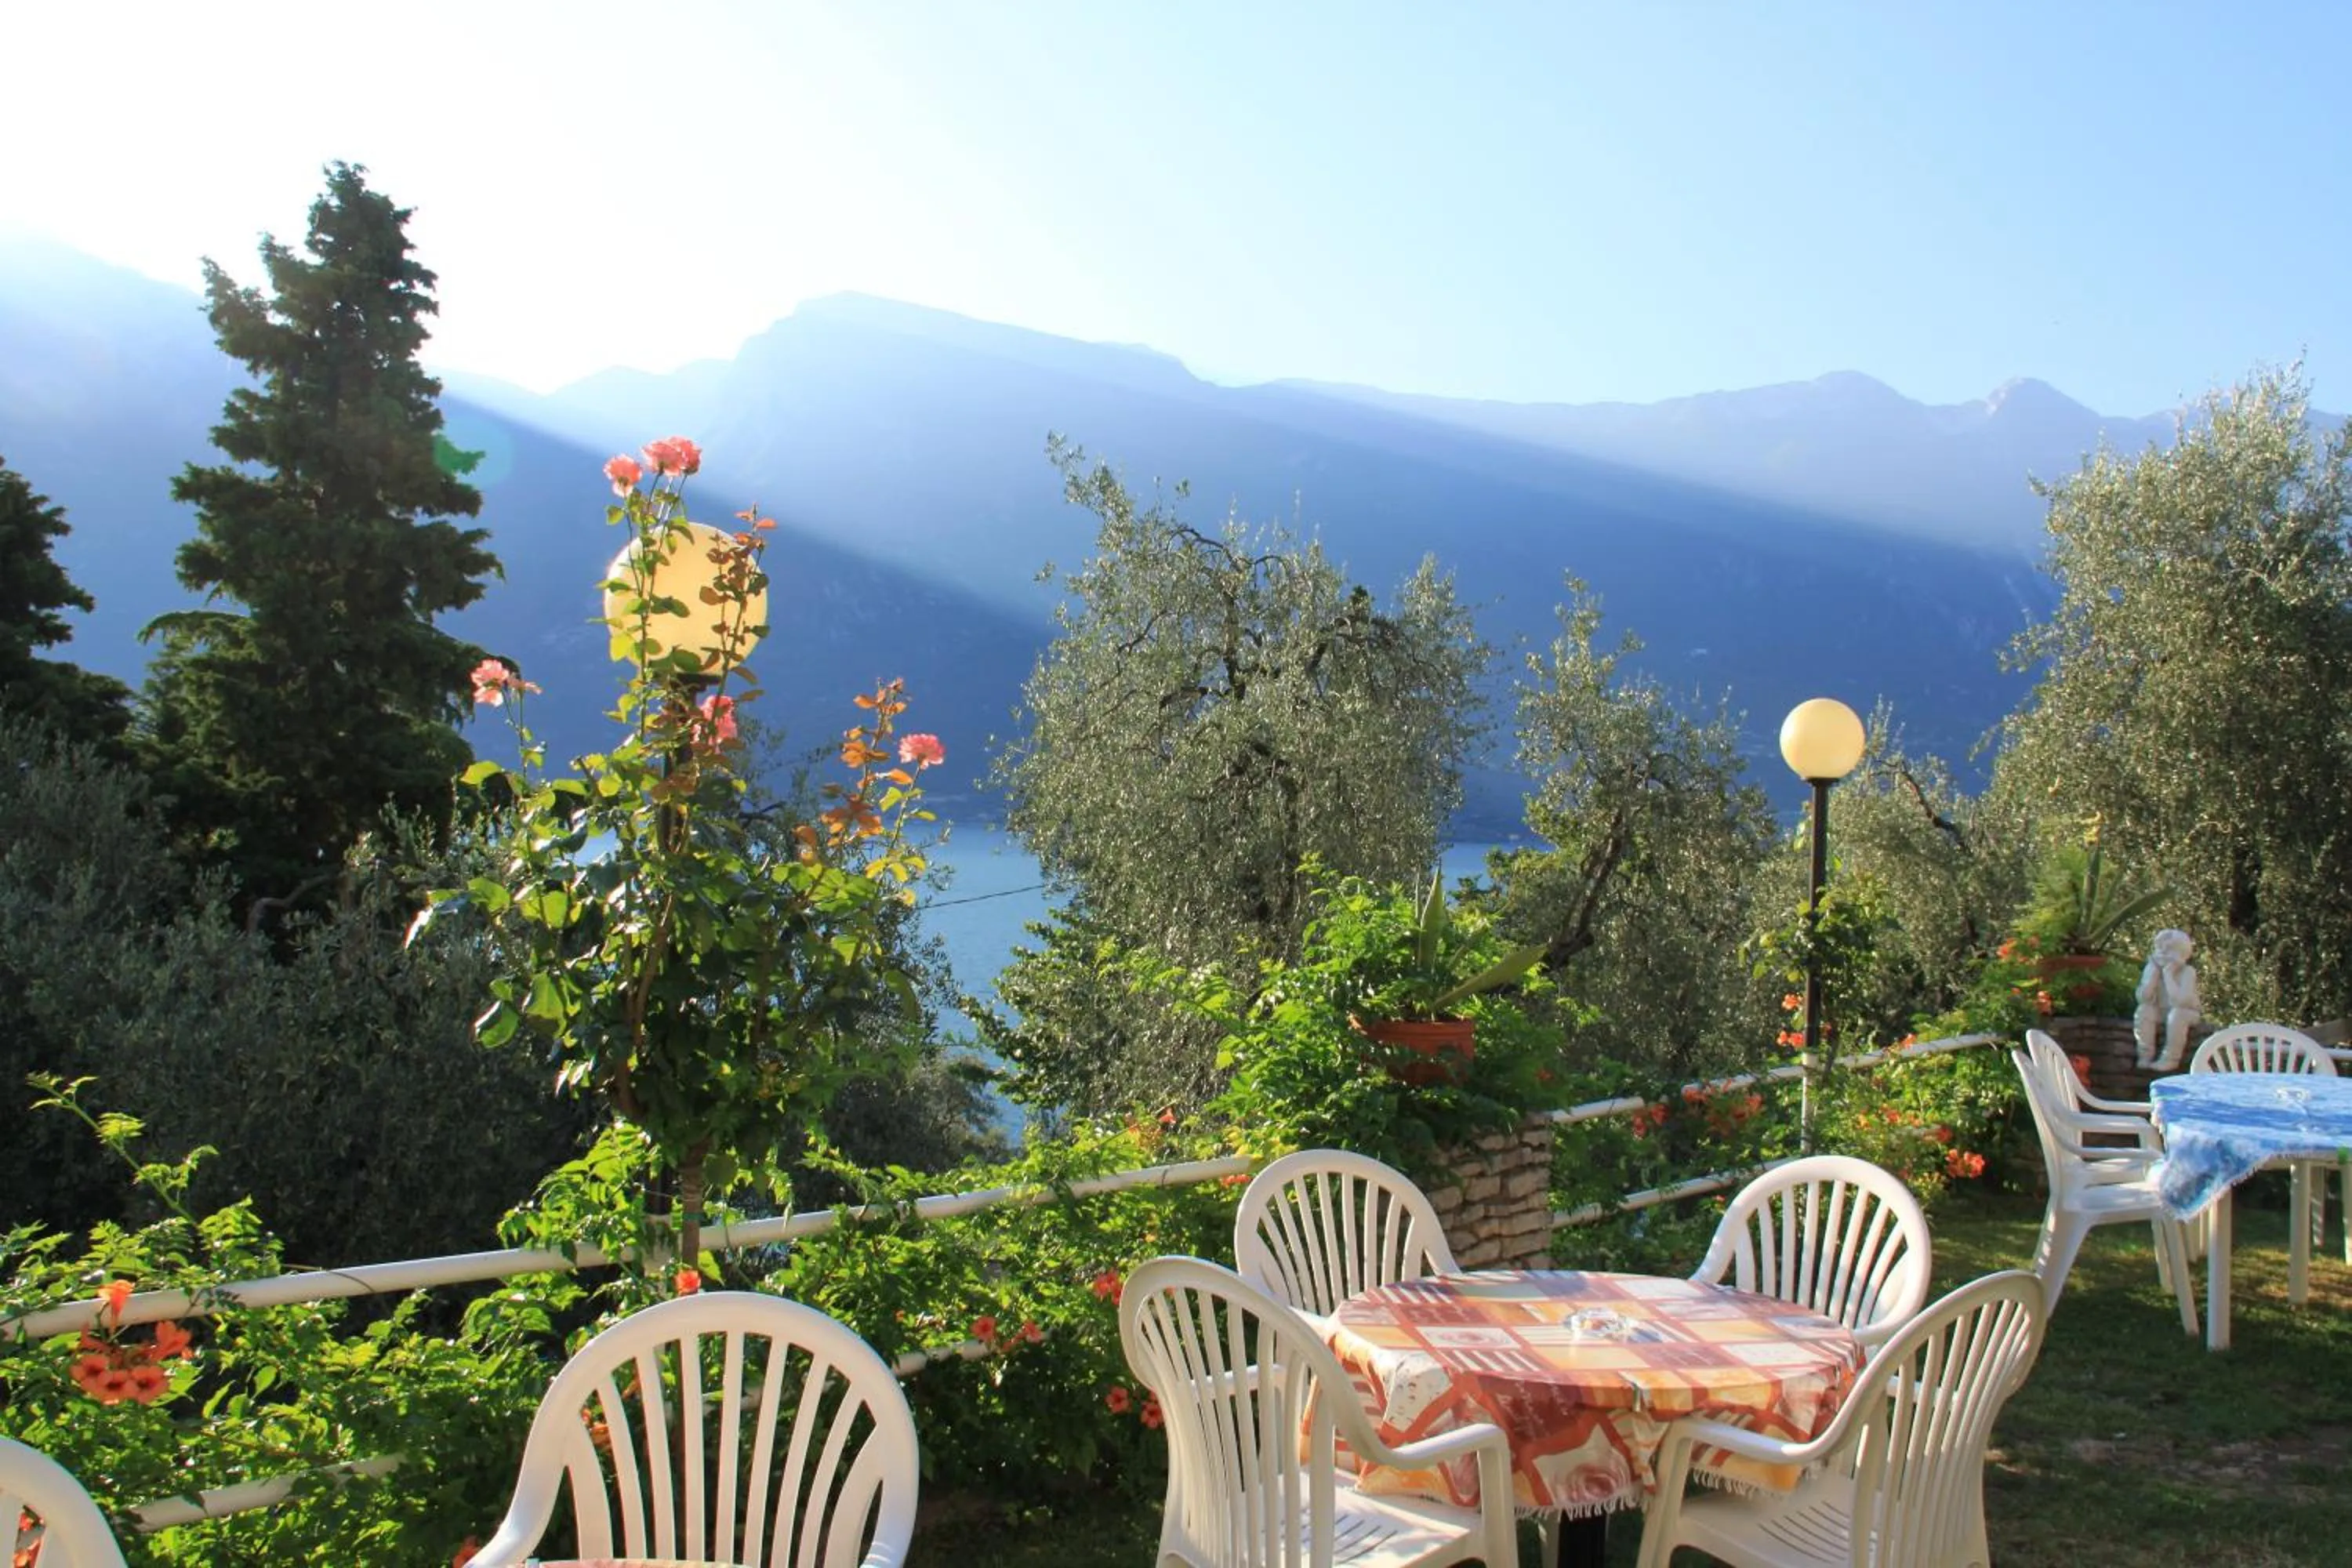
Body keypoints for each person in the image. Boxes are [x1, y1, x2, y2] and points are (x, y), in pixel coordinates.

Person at [2133, 929, 2201, 1070]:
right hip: (2161, 1011)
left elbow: (2180, 1001)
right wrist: (2153, 976)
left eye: (2169, 950)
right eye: (2160, 949)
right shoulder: (2152, 969)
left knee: (2177, 1015)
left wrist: (2168, 974)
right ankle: (2145, 1055)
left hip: (2186, 1013)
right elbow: (2143, 998)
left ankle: (2170, 1058)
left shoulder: (2187, 972)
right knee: (2144, 1010)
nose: (2163, 953)